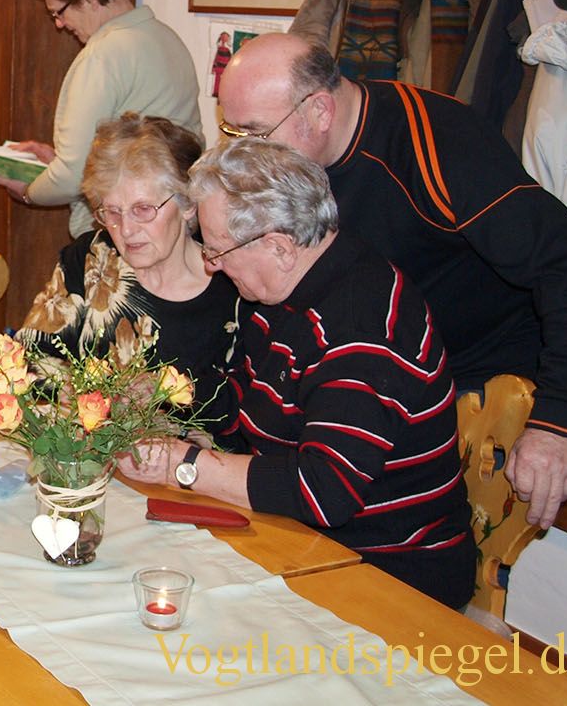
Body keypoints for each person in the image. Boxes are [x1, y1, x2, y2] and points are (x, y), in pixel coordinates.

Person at [216, 32, 567, 530]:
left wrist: (557, 419)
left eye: (255, 133)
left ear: (319, 111)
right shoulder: (292, 157)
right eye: (233, 132)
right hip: (369, 375)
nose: (245, 152)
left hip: (478, 374)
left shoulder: (441, 145)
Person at [118, 138, 475, 608]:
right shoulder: (280, 293)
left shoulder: (361, 329)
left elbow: (322, 492)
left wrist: (182, 466)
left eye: (219, 251)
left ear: (280, 246)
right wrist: (167, 391)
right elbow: (246, 409)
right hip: (298, 539)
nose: (211, 264)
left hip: (389, 573)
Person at [0, 0, 202, 237]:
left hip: (123, 229)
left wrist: (28, 191)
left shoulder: (102, 55)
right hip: (171, 221)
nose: (59, 24)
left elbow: (72, 177)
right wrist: (57, 160)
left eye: (58, 12)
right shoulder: (167, 37)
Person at [19, 114, 237, 397]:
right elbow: (27, 361)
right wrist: (92, 401)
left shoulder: (232, 290)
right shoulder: (90, 259)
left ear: (187, 204)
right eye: (112, 211)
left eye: (143, 209)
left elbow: (238, 418)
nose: (125, 230)